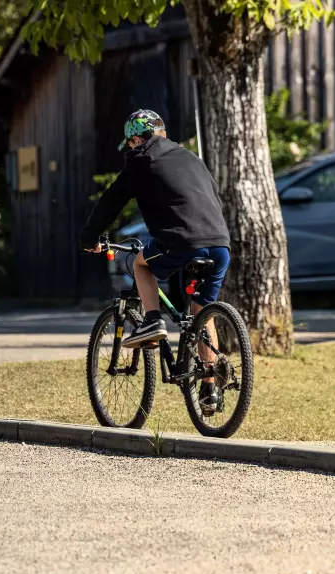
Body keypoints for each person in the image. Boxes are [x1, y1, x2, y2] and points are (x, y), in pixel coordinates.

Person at [79, 110, 231, 415]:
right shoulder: (191, 158)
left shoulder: (141, 160)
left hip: (181, 242)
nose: (131, 150)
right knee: (203, 313)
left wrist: (89, 238)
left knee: (140, 264)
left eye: (131, 144)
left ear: (136, 139)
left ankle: (151, 320)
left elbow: (111, 201)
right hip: (220, 244)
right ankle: (210, 389)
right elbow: (213, 196)